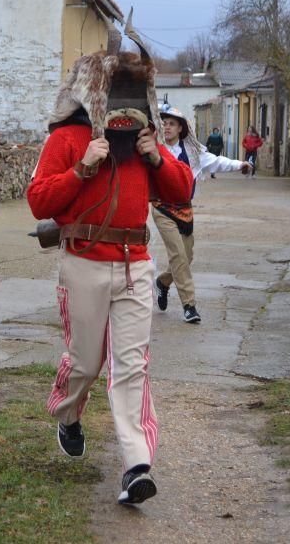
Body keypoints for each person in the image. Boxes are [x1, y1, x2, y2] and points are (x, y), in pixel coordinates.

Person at [28, 40, 194, 504]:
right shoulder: (67, 139)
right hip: (82, 262)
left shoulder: (146, 144)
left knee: (131, 367)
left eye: (134, 99)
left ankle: (137, 466)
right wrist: (83, 167)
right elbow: (40, 201)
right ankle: (67, 414)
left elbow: (182, 193)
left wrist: (156, 156)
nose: (127, 109)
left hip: (135, 266)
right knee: (84, 362)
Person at [153, 107, 252, 323]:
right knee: (178, 255)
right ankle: (189, 306)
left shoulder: (193, 151)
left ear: (181, 128)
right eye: (164, 123)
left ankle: (162, 282)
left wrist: (240, 165)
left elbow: (217, 162)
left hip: (185, 208)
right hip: (161, 207)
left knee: (187, 257)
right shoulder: (153, 150)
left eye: (171, 123)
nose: (166, 127)